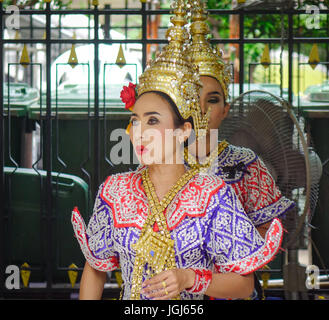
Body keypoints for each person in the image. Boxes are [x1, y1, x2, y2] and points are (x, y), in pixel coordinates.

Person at [71, 0, 284, 300]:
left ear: (184, 130)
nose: (139, 134)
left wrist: (188, 278)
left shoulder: (212, 196)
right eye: (135, 121)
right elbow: (94, 267)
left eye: (153, 121)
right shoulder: (115, 191)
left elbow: (244, 285)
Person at [185, 0, 295, 239]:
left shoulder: (247, 164)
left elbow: (271, 232)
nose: (201, 109)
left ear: (226, 109)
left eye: (212, 100)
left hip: (233, 273)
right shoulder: (160, 163)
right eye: (192, 98)